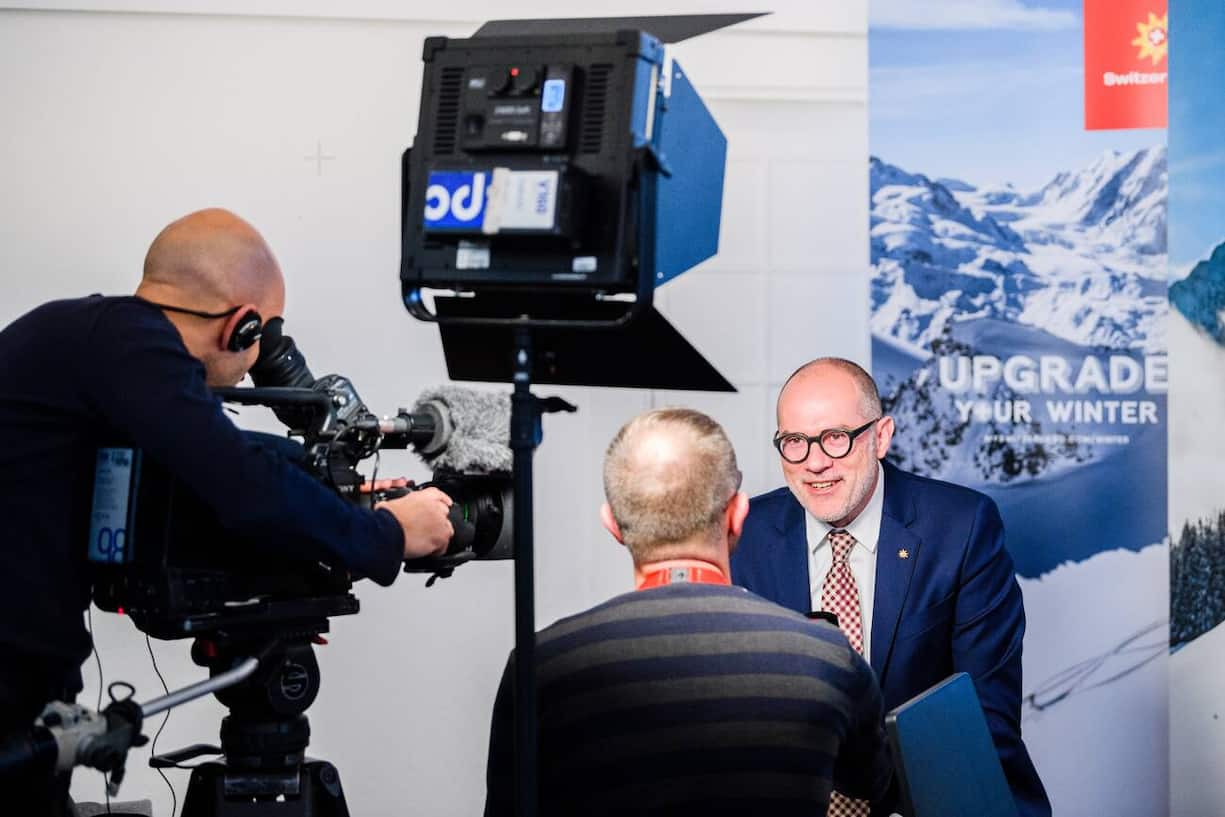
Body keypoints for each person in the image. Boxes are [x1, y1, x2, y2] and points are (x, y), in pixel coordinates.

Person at [0, 208, 454, 815]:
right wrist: (389, 534)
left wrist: (334, 489)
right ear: (243, 328)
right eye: (262, 342)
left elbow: (223, 456)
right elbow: (243, 484)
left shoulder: (84, 338)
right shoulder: (130, 346)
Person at [484, 407, 894, 817]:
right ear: (737, 515)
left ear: (612, 525)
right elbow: (876, 783)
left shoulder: (541, 666)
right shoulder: (826, 657)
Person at [730, 357, 1050, 817]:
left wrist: (869, 781)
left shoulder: (961, 528)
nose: (815, 462)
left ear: (880, 437)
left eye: (836, 438)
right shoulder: (745, 535)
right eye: (794, 442)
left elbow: (982, 722)